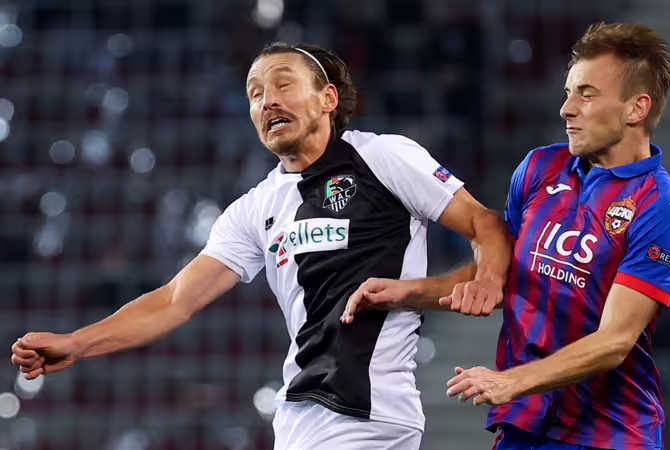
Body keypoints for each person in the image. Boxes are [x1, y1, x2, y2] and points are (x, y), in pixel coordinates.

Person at [10, 42, 511, 450]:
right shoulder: (254, 208)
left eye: (283, 84)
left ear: (327, 99)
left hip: (368, 410)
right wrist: (77, 343)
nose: (267, 100)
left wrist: (485, 279)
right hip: (297, 417)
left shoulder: (382, 157)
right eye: (255, 93)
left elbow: (483, 222)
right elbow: (174, 300)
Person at [347, 22, 670, 449]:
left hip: (610, 433)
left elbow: (615, 341)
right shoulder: (539, 168)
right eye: (568, 92)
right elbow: (505, 274)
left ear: (636, 109)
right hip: (526, 425)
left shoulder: (660, 207)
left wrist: (512, 381)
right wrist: (408, 291)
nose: (566, 109)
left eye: (586, 94)